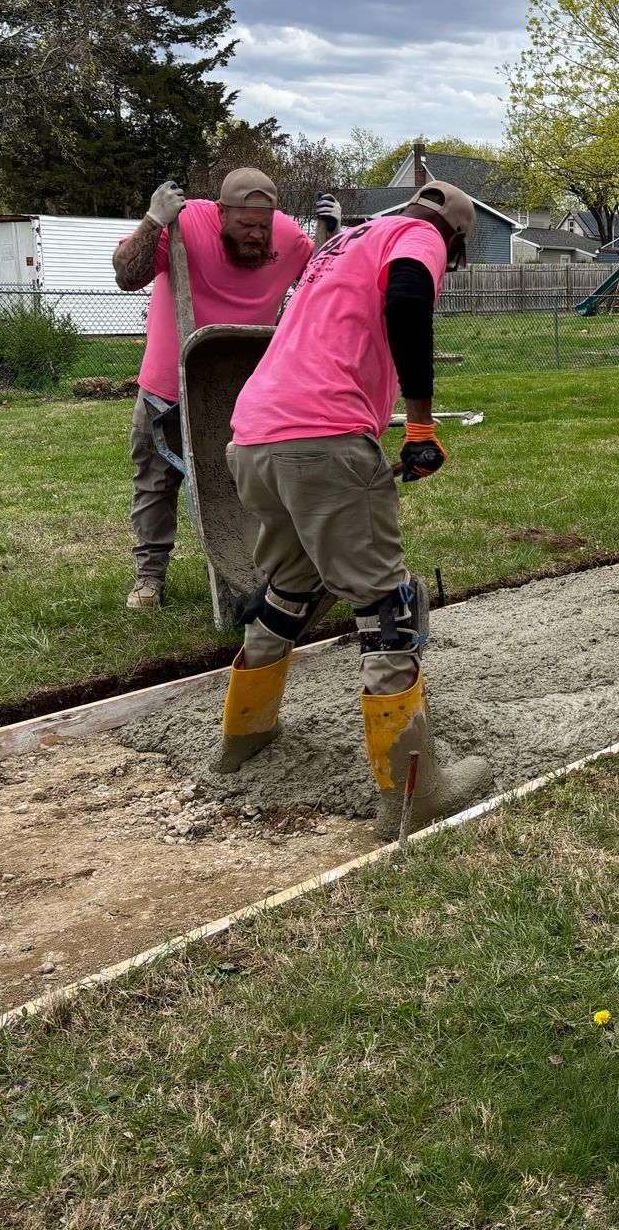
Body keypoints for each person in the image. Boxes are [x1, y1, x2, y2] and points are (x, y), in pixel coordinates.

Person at [214, 180, 494, 835]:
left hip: (254, 437)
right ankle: (414, 794)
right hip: (325, 439)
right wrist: (419, 427)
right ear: (452, 238)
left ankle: (241, 741)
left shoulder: (342, 244)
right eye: (454, 259)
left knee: (287, 592)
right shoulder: (418, 237)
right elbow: (406, 299)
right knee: (386, 609)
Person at [112, 170, 337, 609]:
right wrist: (153, 220)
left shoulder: (287, 237)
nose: (256, 235)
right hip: (169, 385)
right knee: (156, 482)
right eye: (245, 225)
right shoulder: (185, 221)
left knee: (244, 486)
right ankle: (149, 579)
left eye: (263, 225)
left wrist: (330, 235)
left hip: (244, 393)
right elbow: (127, 275)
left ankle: (245, 574)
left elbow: (320, 290)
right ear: (221, 213)